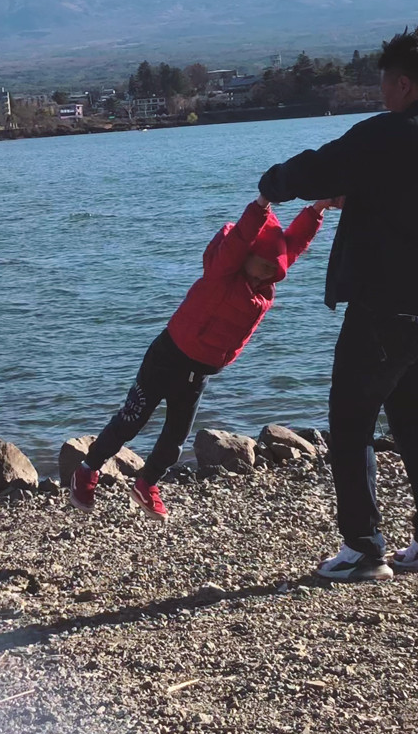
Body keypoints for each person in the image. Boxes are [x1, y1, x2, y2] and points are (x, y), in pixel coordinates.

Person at [256, 25, 418, 581]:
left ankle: (363, 548)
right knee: (413, 417)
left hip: (389, 309)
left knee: (352, 422)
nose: (382, 93)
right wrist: (359, 192)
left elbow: (313, 169)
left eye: (385, 83)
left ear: (404, 83)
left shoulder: (387, 134)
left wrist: (272, 184)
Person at [68, 197, 331, 519]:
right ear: (246, 256)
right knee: (131, 419)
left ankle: (146, 483)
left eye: (273, 273)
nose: (266, 278)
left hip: (198, 372)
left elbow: (292, 246)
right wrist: (263, 203)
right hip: (167, 356)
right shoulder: (223, 272)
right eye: (263, 268)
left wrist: (318, 209)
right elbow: (240, 238)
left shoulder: (262, 287)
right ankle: (86, 470)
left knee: (176, 438)